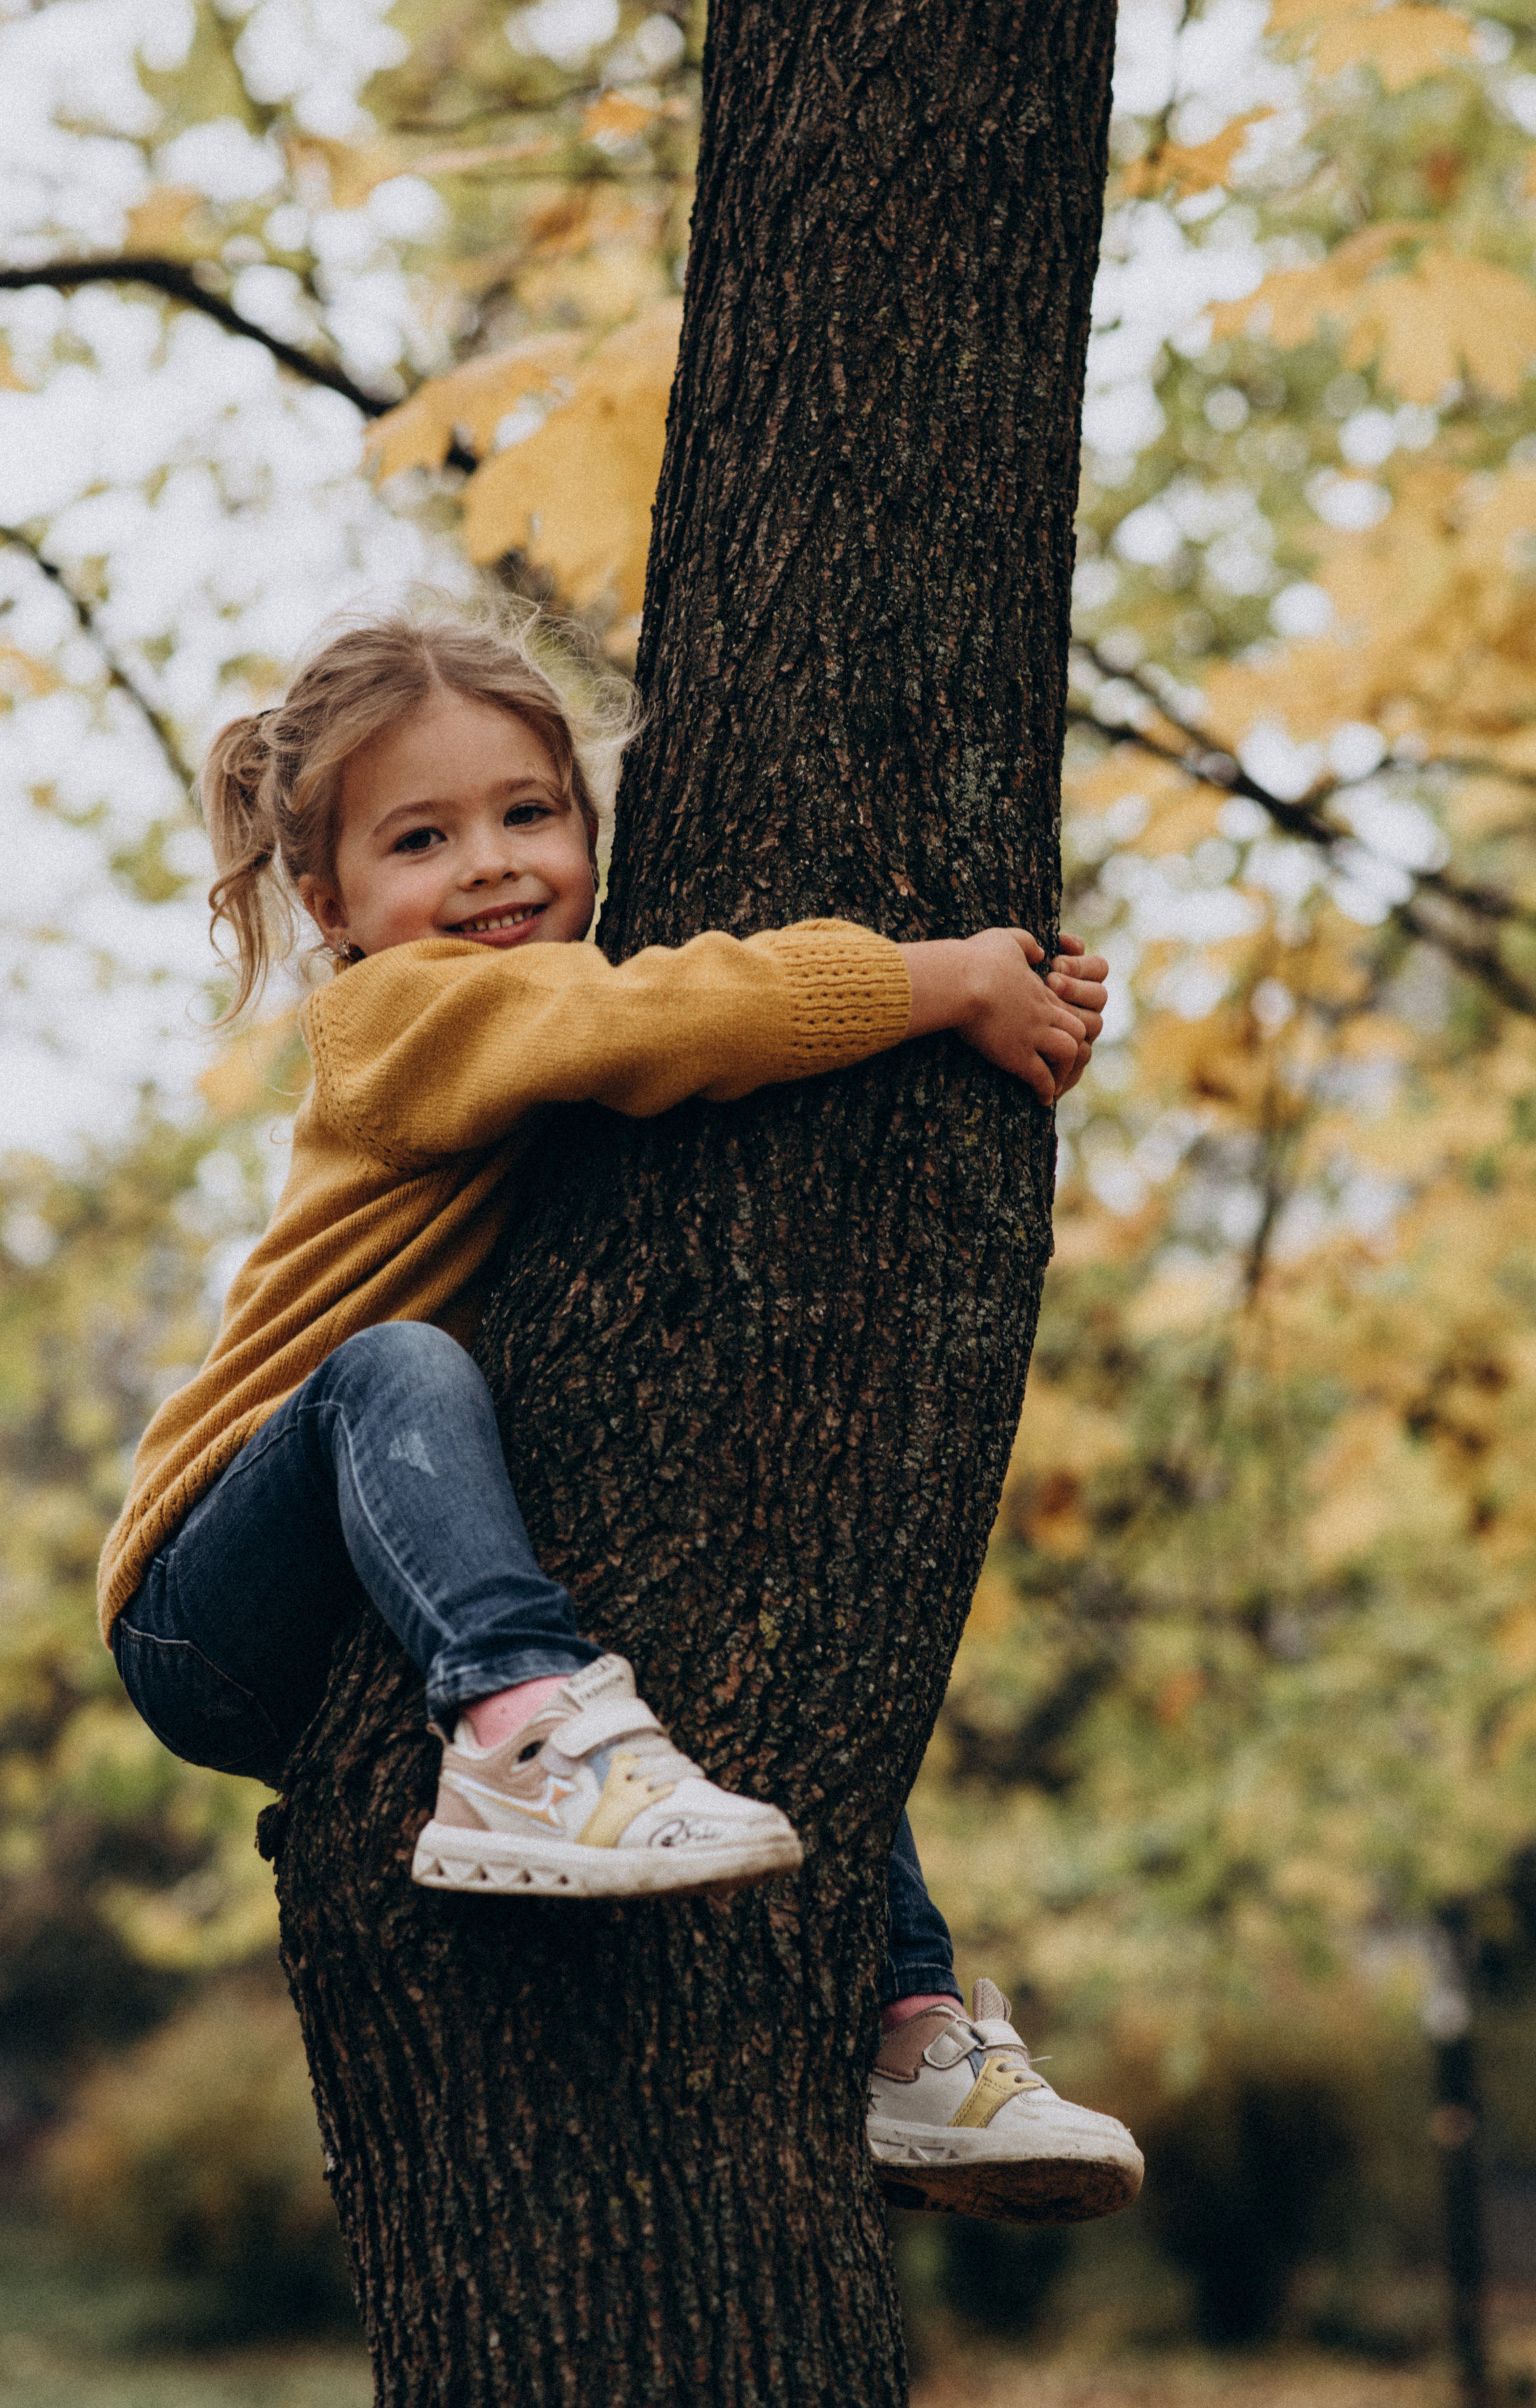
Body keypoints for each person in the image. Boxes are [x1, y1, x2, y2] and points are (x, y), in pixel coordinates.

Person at [98, 600, 1142, 2220]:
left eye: (531, 814)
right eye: (423, 837)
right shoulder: (398, 1015)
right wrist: (939, 982)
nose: (495, 864)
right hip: (210, 1599)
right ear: (335, 905)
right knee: (390, 1361)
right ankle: (522, 1734)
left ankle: (908, 2029)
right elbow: (661, 1018)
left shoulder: (519, 1006)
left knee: (721, 1619)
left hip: (396, 1561)